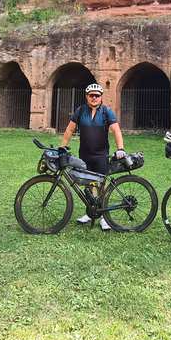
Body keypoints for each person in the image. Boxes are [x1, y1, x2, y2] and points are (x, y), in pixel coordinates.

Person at [60, 83, 126, 230]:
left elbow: (116, 130)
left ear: (101, 97)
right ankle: (90, 213)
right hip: (85, 154)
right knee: (88, 184)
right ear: (87, 97)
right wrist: (63, 146)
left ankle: (104, 217)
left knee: (101, 185)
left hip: (101, 155)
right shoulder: (80, 110)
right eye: (91, 95)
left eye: (97, 95)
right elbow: (70, 129)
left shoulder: (107, 111)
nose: (94, 98)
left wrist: (120, 148)